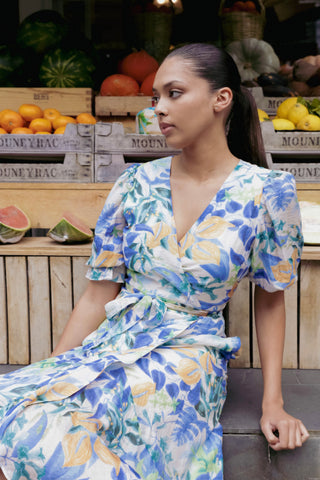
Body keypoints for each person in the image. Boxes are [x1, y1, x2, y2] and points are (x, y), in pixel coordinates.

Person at [0, 42, 309, 479]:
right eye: (155, 97)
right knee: (16, 406)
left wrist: (272, 403)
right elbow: (97, 293)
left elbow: (271, 298)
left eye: (174, 93)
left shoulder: (268, 192)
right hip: (116, 341)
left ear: (221, 99)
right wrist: (54, 368)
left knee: (67, 424)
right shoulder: (134, 183)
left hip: (187, 356)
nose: (159, 109)